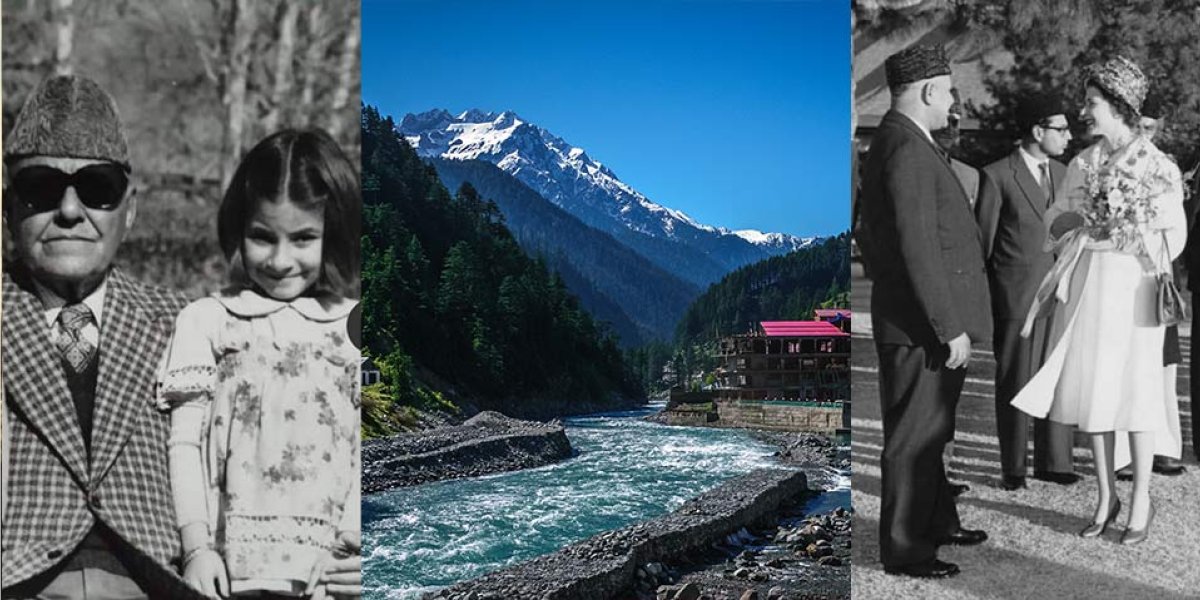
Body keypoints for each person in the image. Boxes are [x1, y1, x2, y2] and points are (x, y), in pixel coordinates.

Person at [1, 75, 206, 598]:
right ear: (8, 210)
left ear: (130, 210)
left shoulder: (189, 323)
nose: (70, 211)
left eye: (97, 189)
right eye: (41, 188)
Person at [157, 129, 362, 599]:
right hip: (228, 575)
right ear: (238, 228)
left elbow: (358, 446)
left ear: (333, 234)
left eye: (303, 238)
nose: (280, 260)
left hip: (328, 576)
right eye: (262, 237)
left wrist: (359, 551)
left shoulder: (350, 326)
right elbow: (184, 443)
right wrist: (196, 548)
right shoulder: (207, 320)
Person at [1012, 56, 1186, 545]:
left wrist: (1137, 236)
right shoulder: (1085, 163)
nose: (1085, 111)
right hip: (1092, 289)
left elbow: (1176, 234)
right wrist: (1083, 227)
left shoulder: (1158, 166)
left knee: (1136, 394)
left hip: (1135, 291)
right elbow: (1053, 221)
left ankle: (1141, 501)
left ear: (1118, 106)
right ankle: (1106, 496)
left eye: (1092, 102)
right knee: (1098, 393)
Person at [858, 43, 992, 579]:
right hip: (922, 328)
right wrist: (948, 325)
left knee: (931, 431)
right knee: (914, 438)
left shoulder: (903, 141)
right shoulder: (907, 148)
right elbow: (919, 249)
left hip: (916, 323)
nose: (954, 101)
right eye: (951, 90)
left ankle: (937, 521)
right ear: (930, 90)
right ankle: (906, 548)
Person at [976, 96, 1079, 491]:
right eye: (1061, 129)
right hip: (1016, 298)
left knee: (1057, 376)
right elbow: (983, 245)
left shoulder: (1066, 173)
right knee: (1016, 381)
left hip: (1062, 294)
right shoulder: (998, 175)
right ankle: (1013, 467)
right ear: (1038, 131)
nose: (1068, 136)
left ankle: (1055, 461)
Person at [1115, 99, 1187, 478]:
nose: (1144, 135)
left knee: (1163, 365)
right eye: (1138, 126)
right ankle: (1124, 453)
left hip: (1157, 275)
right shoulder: (1110, 166)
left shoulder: (1166, 168)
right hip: (1121, 274)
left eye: (1151, 128)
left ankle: (1165, 445)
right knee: (1124, 365)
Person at [932, 87, 979, 497]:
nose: (952, 127)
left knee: (950, 398)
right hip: (921, 304)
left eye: (957, 120)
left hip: (959, 305)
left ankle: (941, 475)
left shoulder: (970, 177)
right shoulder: (908, 168)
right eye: (947, 119)